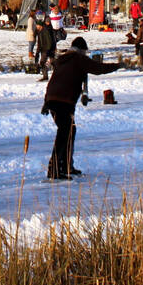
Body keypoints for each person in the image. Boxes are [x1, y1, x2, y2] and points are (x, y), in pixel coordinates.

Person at [42, 37, 120, 180]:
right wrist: (117, 65)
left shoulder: (62, 59)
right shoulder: (78, 59)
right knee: (64, 133)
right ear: (81, 50)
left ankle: (65, 166)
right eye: (84, 51)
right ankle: (54, 170)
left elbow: (53, 82)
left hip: (53, 99)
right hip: (64, 101)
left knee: (69, 131)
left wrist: (46, 102)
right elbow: (98, 68)